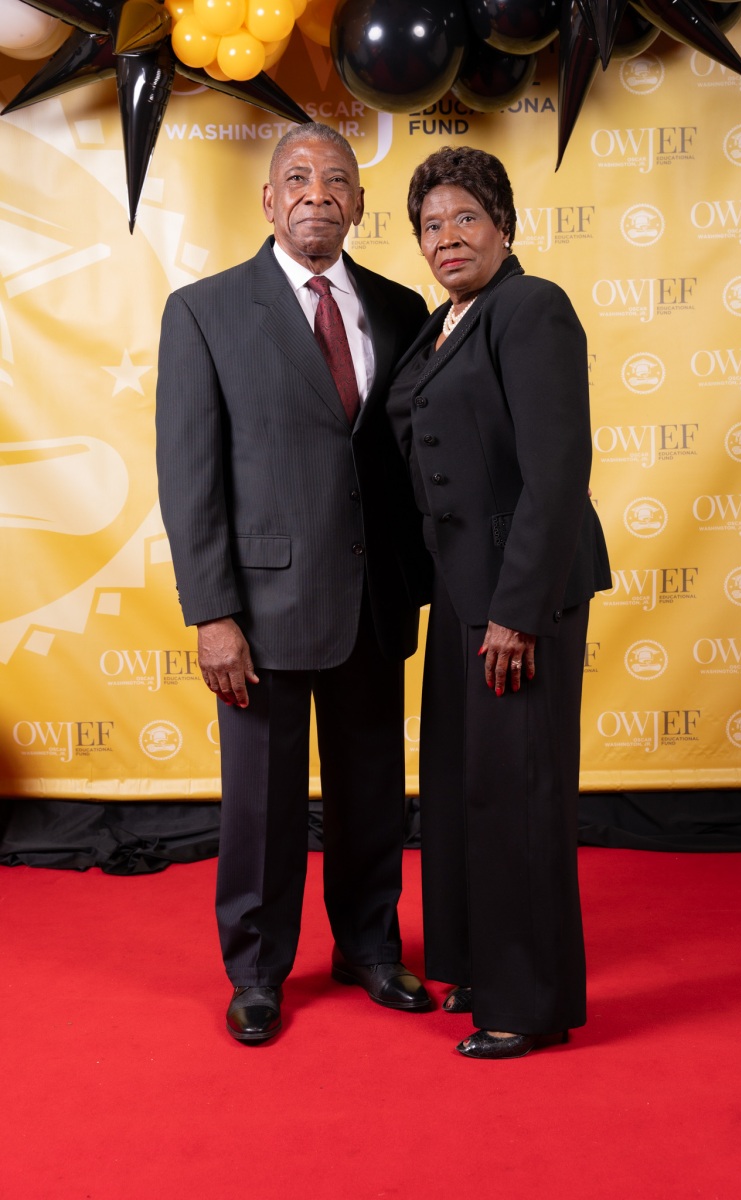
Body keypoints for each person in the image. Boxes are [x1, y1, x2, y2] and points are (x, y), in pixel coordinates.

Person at [155, 123, 433, 1044]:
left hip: (372, 599)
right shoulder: (204, 311)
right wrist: (213, 613)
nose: (319, 192)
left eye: (338, 179)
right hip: (260, 611)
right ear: (269, 200)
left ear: (358, 203)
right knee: (263, 806)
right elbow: (189, 474)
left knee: (373, 794)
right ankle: (257, 971)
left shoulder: (400, 307)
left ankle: (369, 946)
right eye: (300, 178)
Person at [386, 146, 612, 1060]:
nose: (447, 237)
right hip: (458, 591)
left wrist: (518, 610)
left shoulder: (531, 307)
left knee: (519, 792)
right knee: (462, 787)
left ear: (505, 227)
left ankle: (529, 1002)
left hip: (522, 593)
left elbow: (557, 473)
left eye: (465, 218)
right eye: (430, 225)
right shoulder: (443, 325)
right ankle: (478, 963)